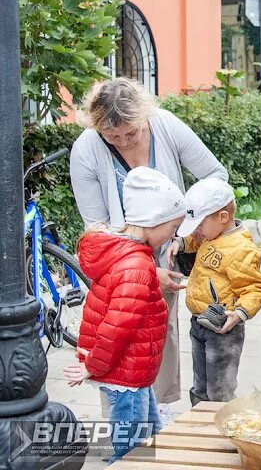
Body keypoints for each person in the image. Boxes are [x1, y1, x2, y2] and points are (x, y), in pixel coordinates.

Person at [70, 78, 227, 419]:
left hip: (169, 250)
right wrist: (145, 270)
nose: (124, 142)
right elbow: (96, 226)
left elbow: (215, 177)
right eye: (113, 137)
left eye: (132, 133)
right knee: (123, 334)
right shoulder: (85, 149)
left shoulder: (165, 125)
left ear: (145, 118)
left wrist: (189, 233)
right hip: (120, 260)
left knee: (160, 329)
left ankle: (162, 409)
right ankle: (124, 418)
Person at [63, 167, 186, 463]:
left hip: (136, 371)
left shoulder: (128, 257)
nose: (173, 235)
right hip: (126, 374)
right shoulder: (137, 268)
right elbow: (115, 328)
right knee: (130, 449)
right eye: (172, 228)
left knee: (149, 435)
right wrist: (93, 365)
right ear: (154, 221)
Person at [177, 178, 261, 405]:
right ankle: (199, 421)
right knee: (200, 382)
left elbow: (255, 288)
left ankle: (222, 424)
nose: (196, 231)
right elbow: (194, 241)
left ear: (223, 217)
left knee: (220, 388)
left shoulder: (241, 249)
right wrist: (178, 245)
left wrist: (238, 314)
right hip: (199, 322)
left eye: (199, 224)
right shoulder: (211, 234)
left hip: (223, 330)